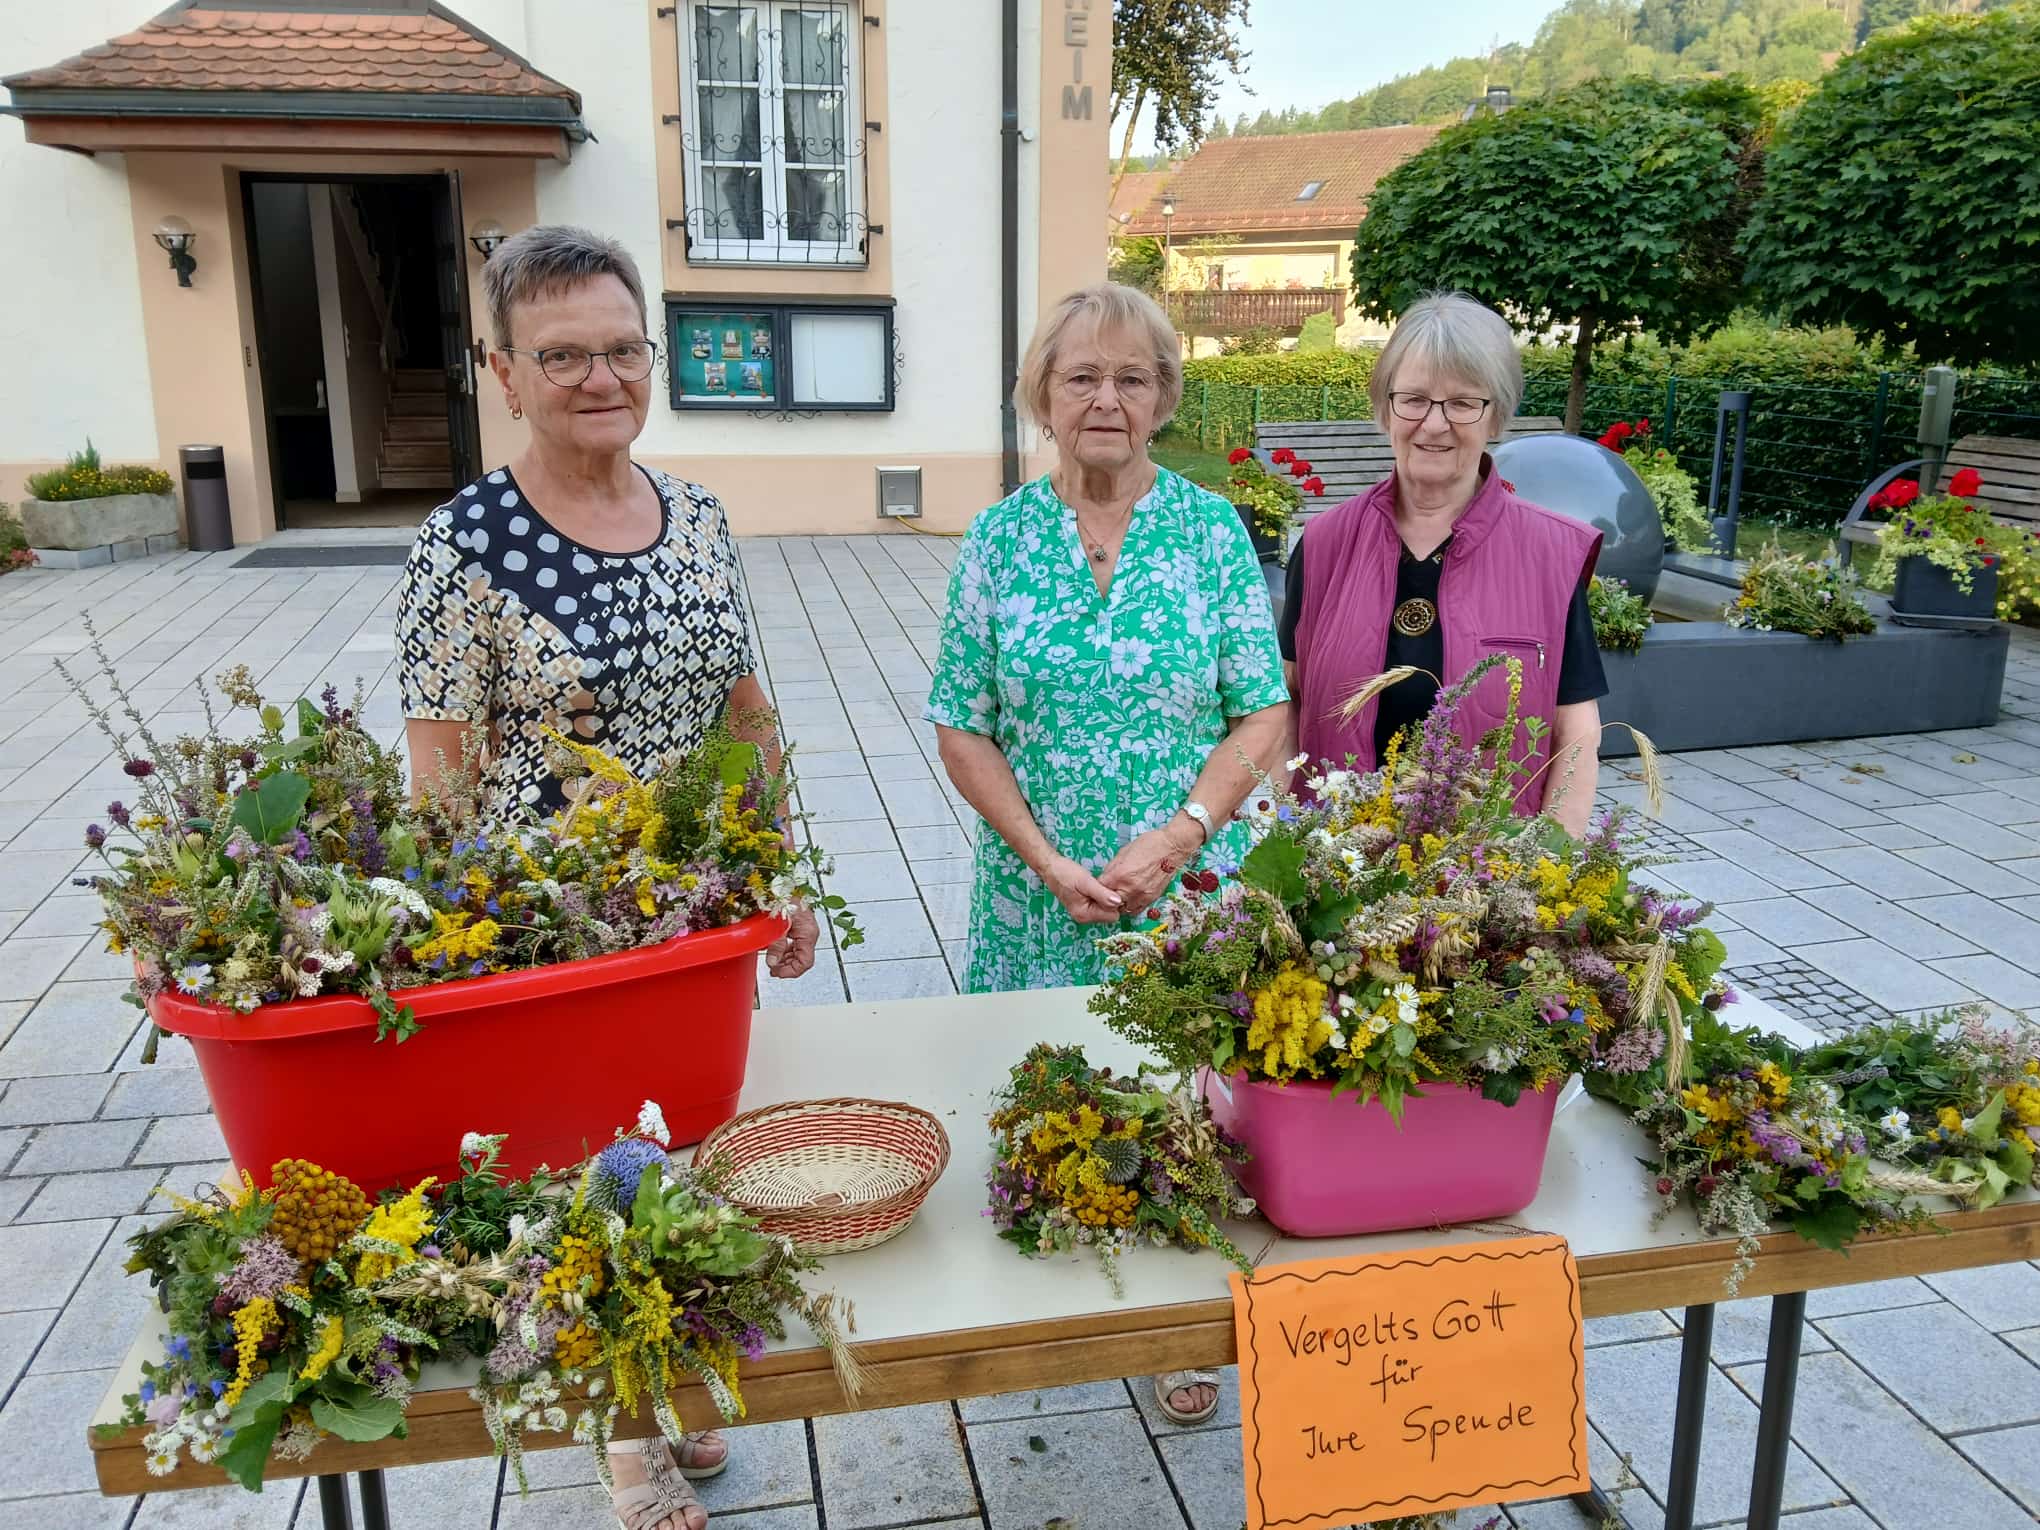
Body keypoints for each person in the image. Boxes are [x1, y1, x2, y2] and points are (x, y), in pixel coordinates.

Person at [393, 224, 814, 1530]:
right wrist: (462, 953)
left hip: (692, 920)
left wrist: (778, 864)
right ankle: (621, 1430)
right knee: (575, 1176)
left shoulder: (698, 517)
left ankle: (674, 1365)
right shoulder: (462, 547)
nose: (601, 377)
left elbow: (745, 710)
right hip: (553, 935)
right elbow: (440, 785)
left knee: (684, 1149)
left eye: (623, 349)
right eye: (563, 354)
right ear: (504, 372)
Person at [926, 282, 1290, 1426]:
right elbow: (961, 722)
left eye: (1133, 378)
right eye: (1081, 376)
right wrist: (1044, 857)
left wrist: (1181, 837)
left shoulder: (1211, 532)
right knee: (1044, 1092)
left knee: (1192, 1104)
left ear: (1165, 398)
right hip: (1036, 891)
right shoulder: (999, 539)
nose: (1106, 399)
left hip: (1185, 884)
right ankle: (1050, 1304)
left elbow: (1263, 709)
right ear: (1043, 394)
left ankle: (1183, 1319)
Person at [1281, 292, 1606, 832]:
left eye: (1462, 403)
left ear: (1495, 415)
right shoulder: (1324, 544)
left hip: (1487, 868)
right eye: (1413, 399)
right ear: (1385, 408)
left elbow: (1576, 733)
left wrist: (1549, 860)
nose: (1434, 424)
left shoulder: (1550, 554)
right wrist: (1278, 838)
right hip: (1337, 860)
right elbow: (1286, 707)